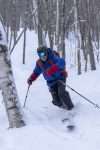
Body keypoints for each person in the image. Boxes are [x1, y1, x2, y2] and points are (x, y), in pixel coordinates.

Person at [27, 46, 74, 110]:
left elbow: (62, 62)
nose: (43, 56)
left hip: (60, 78)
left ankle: (70, 107)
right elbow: (36, 72)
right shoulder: (39, 63)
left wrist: (53, 68)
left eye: (44, 54)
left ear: (47, 53)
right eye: (40, 55)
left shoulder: (53, 57)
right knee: (57, 101)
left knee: (61, 93)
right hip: (51, 82)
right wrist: (31, 79)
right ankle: (61, 105)